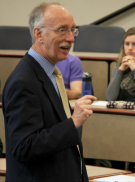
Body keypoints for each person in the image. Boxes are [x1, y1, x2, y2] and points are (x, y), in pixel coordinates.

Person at [2, 2, 97, 181]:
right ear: (39, 34)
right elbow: (24, 147)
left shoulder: (51, 74)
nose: (71, 39)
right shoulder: (23, 81)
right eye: (62, 30)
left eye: (73, 30)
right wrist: (74, 122)